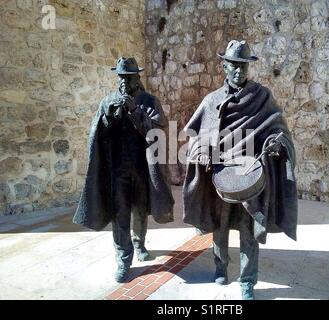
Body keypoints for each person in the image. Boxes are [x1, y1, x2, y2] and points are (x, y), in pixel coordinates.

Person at [182, 40, 298, 300]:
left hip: (250, 173)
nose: (239, 71)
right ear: (224, 66)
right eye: (234, 65)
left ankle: (247, 280)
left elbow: (277, 128)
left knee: (248, 228)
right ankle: (220, 267)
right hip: (220, 175)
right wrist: (200, 153)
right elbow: (196, 136)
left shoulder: (262, 97)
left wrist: (276, 143)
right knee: (219, 227)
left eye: (243, 65)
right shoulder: (211, 101)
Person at [73, 57, 174, 283]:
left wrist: (135, 112)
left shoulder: (149, 101)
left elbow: (158, 131)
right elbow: (98, 134)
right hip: (117, 170)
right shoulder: (108, 100)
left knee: (140, 210)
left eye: (129, 77)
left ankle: (139, 243)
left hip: (141, 168)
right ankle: (123, 258)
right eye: (121, 77)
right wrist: (109, 116)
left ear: (138, 78)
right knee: (120, 215)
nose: (124, 82)